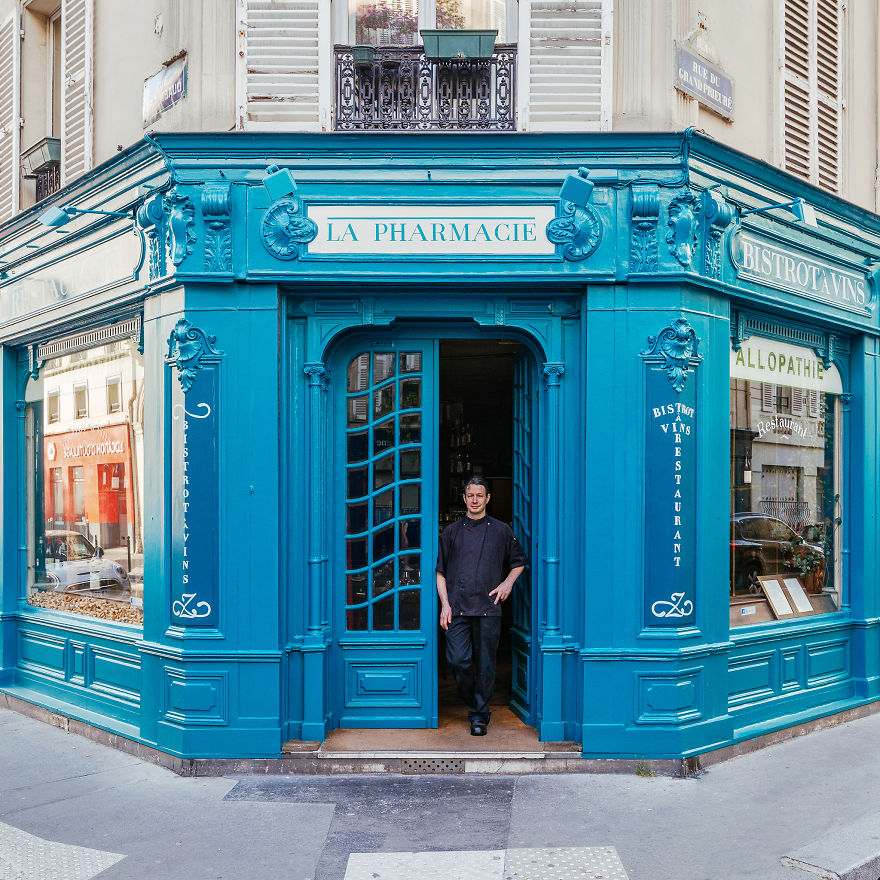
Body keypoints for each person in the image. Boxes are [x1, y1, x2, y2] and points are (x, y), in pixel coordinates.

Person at [436, 476, 527, 736]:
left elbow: (519, 562)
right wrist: (445, 605)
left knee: (487, 665)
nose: (474, 500)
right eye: (470, 495)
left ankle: (479, 716)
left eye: (479, 495)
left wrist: (507, 584)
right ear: (464, 498)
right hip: (457, 608)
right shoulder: (451, 532)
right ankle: (474, 699)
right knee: (457, 660)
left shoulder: (501, 530)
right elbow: (440, 571)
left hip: (489, 607)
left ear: (488, 498)